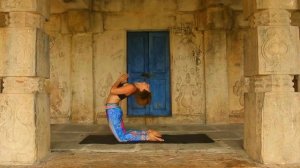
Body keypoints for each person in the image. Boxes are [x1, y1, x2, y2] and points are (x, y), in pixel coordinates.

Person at [105, 73, 164, 142]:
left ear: (142, 90)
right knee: (124, 133)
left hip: (113, 111)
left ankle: (147, 136)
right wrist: (123, 81)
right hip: (113, 110)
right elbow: (121, 90)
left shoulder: (132, 88)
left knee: (122, 138)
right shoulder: (133, 87)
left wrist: (119, 79)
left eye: (148, 88)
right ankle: (147, 133)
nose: (149, 85)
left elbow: (112, 91)